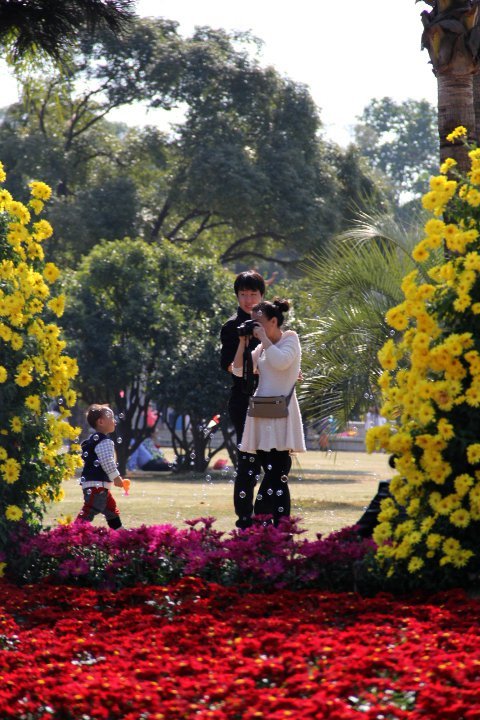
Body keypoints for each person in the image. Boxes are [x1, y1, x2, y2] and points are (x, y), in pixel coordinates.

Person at [232, 298, 306, 526]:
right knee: (275, 474)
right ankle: (278, 526)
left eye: (259, 322)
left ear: (274, 321)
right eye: (252, 323)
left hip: (281, 416)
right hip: (262, 415)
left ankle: (267, 519)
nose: (255, 327)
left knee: (276, 473)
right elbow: (237, 370)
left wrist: (263, 339)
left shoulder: (290, 339)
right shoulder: (261, 346)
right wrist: (243, 344)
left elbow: (282, 362)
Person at [220, 270, 265, 529]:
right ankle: (244, 521)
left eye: (253, 294)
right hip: (243, 400)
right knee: (247, 463)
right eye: (243, 294)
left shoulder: (271, 323)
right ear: (237, 296)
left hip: (272, 398)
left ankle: (265, 517)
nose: (248, 300)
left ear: (262, 296)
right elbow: (229, 366)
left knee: (273, 462)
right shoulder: (230, 327)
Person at [76, 404, 126, 529]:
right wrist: (116, 477)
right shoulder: (104, 441)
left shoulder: (93, 440)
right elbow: (107, 461)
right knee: (91, 508)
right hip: (97, 485)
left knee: (111, 509)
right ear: (101, 422)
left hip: (96, 485)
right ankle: (73, 532)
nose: (115, 421)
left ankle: (120, 532)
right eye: (111, 417)